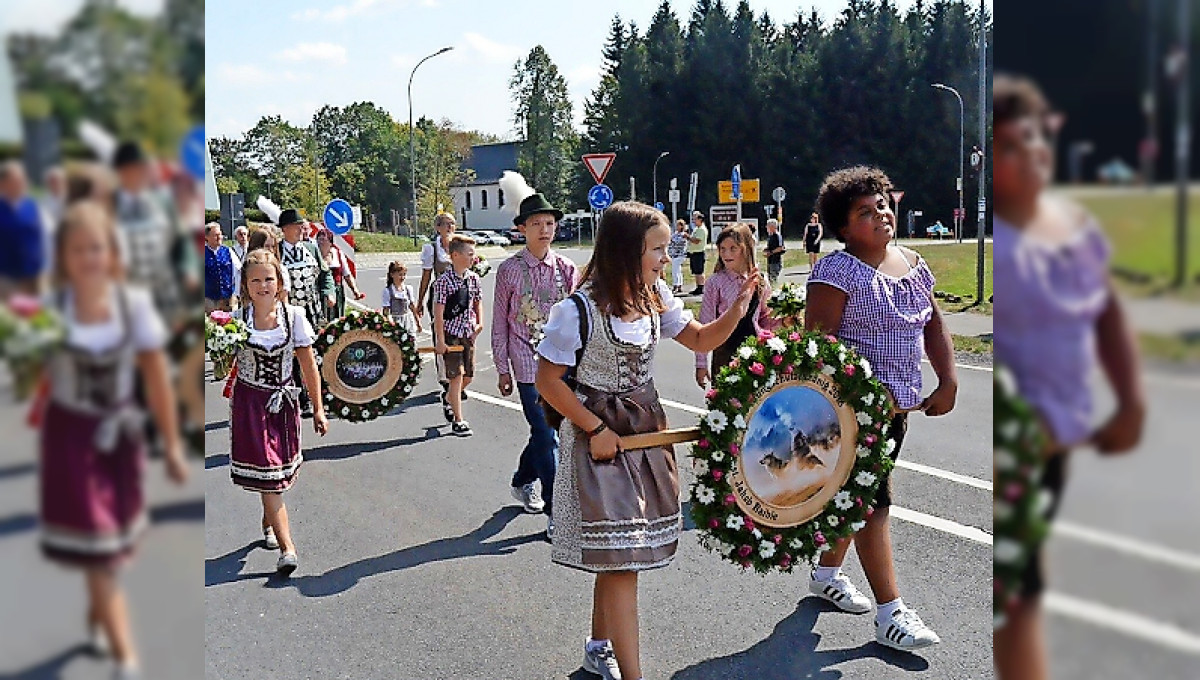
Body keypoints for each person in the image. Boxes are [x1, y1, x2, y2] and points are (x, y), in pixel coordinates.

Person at [536, 201, 760, 680]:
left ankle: (599, 647)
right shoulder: (578, 308)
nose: (666, 257)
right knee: (622, 561)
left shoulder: (654, 294)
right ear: (626, 249)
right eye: (657, 249)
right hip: (600, 441)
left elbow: (701, 339)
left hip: (644, 433)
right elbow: (548, 380)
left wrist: (738, 312)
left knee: (620, 554)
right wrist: (595, 429)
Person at [992, 74, 1143, 680]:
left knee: (1026, 591)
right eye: (1005, 146)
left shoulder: (1074, 230)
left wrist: (1131, 401)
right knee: (1016, 594)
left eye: (1031, 139)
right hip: (1011, 450)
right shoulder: (997, 242)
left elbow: (1107, 313)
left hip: (1062, 441)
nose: (1026, 155)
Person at [804, 165, 957, 653]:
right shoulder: (836, 271)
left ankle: (827, 573)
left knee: (858, 499)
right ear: (844, 228)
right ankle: (891, 613)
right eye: (865, 212)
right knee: (873, 503)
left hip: (898, 413)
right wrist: (856, 393)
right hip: (852, 414)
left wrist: (948, 378)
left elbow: (932, 324)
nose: (881, 215)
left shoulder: (911, 261)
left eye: (883, 205)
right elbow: (816, 342)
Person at [38, 201, 189, 679]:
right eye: (77, 249)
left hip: (119, 438)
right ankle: (126, 655)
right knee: (100, 540)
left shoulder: (133, 305)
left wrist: (170, 446)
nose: (88, 258)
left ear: (111, 252)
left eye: (96, 248)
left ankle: (97, 611)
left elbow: (157, 381)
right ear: (64, 255)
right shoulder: (52, 309)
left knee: (111, 542)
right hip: (70, 437)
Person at [229, 249, 329, 576]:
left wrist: (318, 408)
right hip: (250, 405)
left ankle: (268, 519)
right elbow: (221, 364)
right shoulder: (235, 322)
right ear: (245, 284)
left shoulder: (294, 316)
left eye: (268, 278)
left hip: (283, 404)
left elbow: (308, 365)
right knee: (271, 475)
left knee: (276, 476)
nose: (263, 285)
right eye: (255, 280)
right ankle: (288, 548)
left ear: (279, 281)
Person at [492, 186, 578, 534]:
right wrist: (502, 368)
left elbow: (577, 316)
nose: (544, 229)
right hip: (526, 363)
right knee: (547, 434)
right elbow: (500, 321)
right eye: (536, 223)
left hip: (561, 364)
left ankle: (522, 478)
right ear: (522, 229)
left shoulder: (567, 267)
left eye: (549, 223)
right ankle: (557, 511)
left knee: (549, 432)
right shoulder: (509, 270)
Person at [695, 223, 775, 387]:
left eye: (733, 248)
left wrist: (782, 323)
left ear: (746, 249)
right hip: (725, 349)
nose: (726, 254)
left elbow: (765, 319)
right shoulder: (716, 282)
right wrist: (701, 363)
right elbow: (704, 324)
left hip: (754, 349)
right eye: (722, 249)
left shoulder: (760, 280)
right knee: (727, 405)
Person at [277, 209, 335, 417]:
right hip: (288, 312)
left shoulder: (311, 248)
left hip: (312, 311)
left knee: (317, 352)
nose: (302, 228)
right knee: (294, 355)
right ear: (285, 229)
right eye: (297, 225)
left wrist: (329, 292)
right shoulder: (276, 251)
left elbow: (325, 274)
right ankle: (301, 397)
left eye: (302, 225)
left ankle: (320, 394)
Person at [433, 234, 484, 436]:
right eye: (469, 254)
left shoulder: (474, 279)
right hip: (451, 332)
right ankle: (458, 420)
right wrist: (440, 340)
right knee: (456, 376)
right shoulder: (443, 282)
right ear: (455, 255)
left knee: (469, 376)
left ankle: (448, 399)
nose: (473, 257)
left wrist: (479, 323)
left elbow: (478, 302)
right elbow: (438, 312)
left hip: (468, 333)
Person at [417, 212, 457, 410]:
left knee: (460, 336)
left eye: (452, 224)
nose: (450, 227)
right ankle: (444, 377)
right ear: (438, 228)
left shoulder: (460, 245)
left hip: (459, 297)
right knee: (440, 335)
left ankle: (458, 376)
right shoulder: (432, 249)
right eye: (446, 224)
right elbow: (425, 276)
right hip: (440, 296)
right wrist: (419, 300)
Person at [0, 160, 49, 298]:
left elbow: (45, 237)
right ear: (2, 183)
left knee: (35, 315)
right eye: (16, 180)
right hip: (5, 277)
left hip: (33, 276)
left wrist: (46, 266)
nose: (22, 183)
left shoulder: (34, 206)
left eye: (23, 179)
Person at [315, 227, 365, 319]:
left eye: (323, 239)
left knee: (337, 319)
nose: (320, 242)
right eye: (319, 239)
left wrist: (355, 290)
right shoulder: (314, 254)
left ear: (330, 242)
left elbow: (347, 274)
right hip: (320, 291)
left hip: (337, 291)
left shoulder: (337, 253)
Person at [204, 223, 240, 312]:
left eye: (220, 234)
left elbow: (238, 270)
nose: (219, 237)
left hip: (228, 297)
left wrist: (237, 292)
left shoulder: (228, 251)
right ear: (206, 237)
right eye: (216, 235)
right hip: (209, 298)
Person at [381, 260, 421, 335]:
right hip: (395, 321)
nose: (402, 277)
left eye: (404, 274)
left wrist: (418, 322)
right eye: (400, 275)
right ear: (392, 275)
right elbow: (386, 310)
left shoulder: (408, 289)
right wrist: (390, 322)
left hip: (408, 320)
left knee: (411, 341)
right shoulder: (388, 291)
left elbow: (412, 307)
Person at [685, 211, 709, 296]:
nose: (694, 221)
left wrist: (688, 237)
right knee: (696, 271)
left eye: (695, 219)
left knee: (699, 271)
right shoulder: (697, 229)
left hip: (699, 253)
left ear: (700, 220)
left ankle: (701, 287)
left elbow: (697, 241)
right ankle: (698, 286)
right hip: (694, 253)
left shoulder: (702, 229)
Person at [667, 219, 689, 294]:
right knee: (678, 270)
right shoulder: (675, 233)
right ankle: (679, 285)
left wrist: (673, 241)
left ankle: (675, 285)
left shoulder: (683, 235)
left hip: (679, 255)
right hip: (674, 255)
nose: (677, 226)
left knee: (675, 270)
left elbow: (679, 243)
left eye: (678, 225)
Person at [763, 215, 786, 284]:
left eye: (768, 226)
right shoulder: (770, 236)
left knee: (773, 279)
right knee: (770, 279)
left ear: (772, 226)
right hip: (770, 261)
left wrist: (771, 252)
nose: (766, 227)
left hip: (775, 261)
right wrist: (766, 250)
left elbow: (780, 247)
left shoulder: (777, 236)